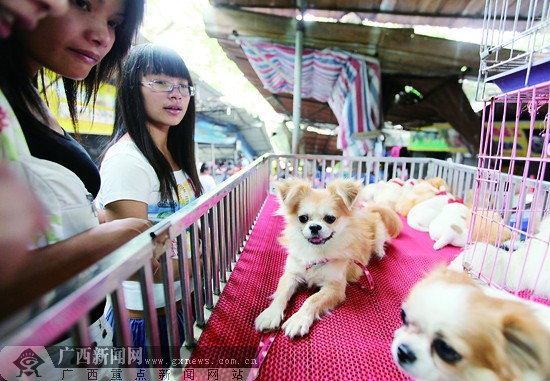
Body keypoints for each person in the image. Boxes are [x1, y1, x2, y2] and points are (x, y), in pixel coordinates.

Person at [0, 0, 148, 333]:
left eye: (113, 23)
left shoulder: (30, 97)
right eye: (82, 5)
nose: (102, 36)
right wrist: (111, 236)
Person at [98, 43, 202, 365]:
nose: (177, 94)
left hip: (181, 307)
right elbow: (132, 266)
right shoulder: (127, 162)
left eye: (184, 86)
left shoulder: (177, 153)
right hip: (145, 323)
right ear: (132, 89)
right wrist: (201, 262)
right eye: (160, 82)